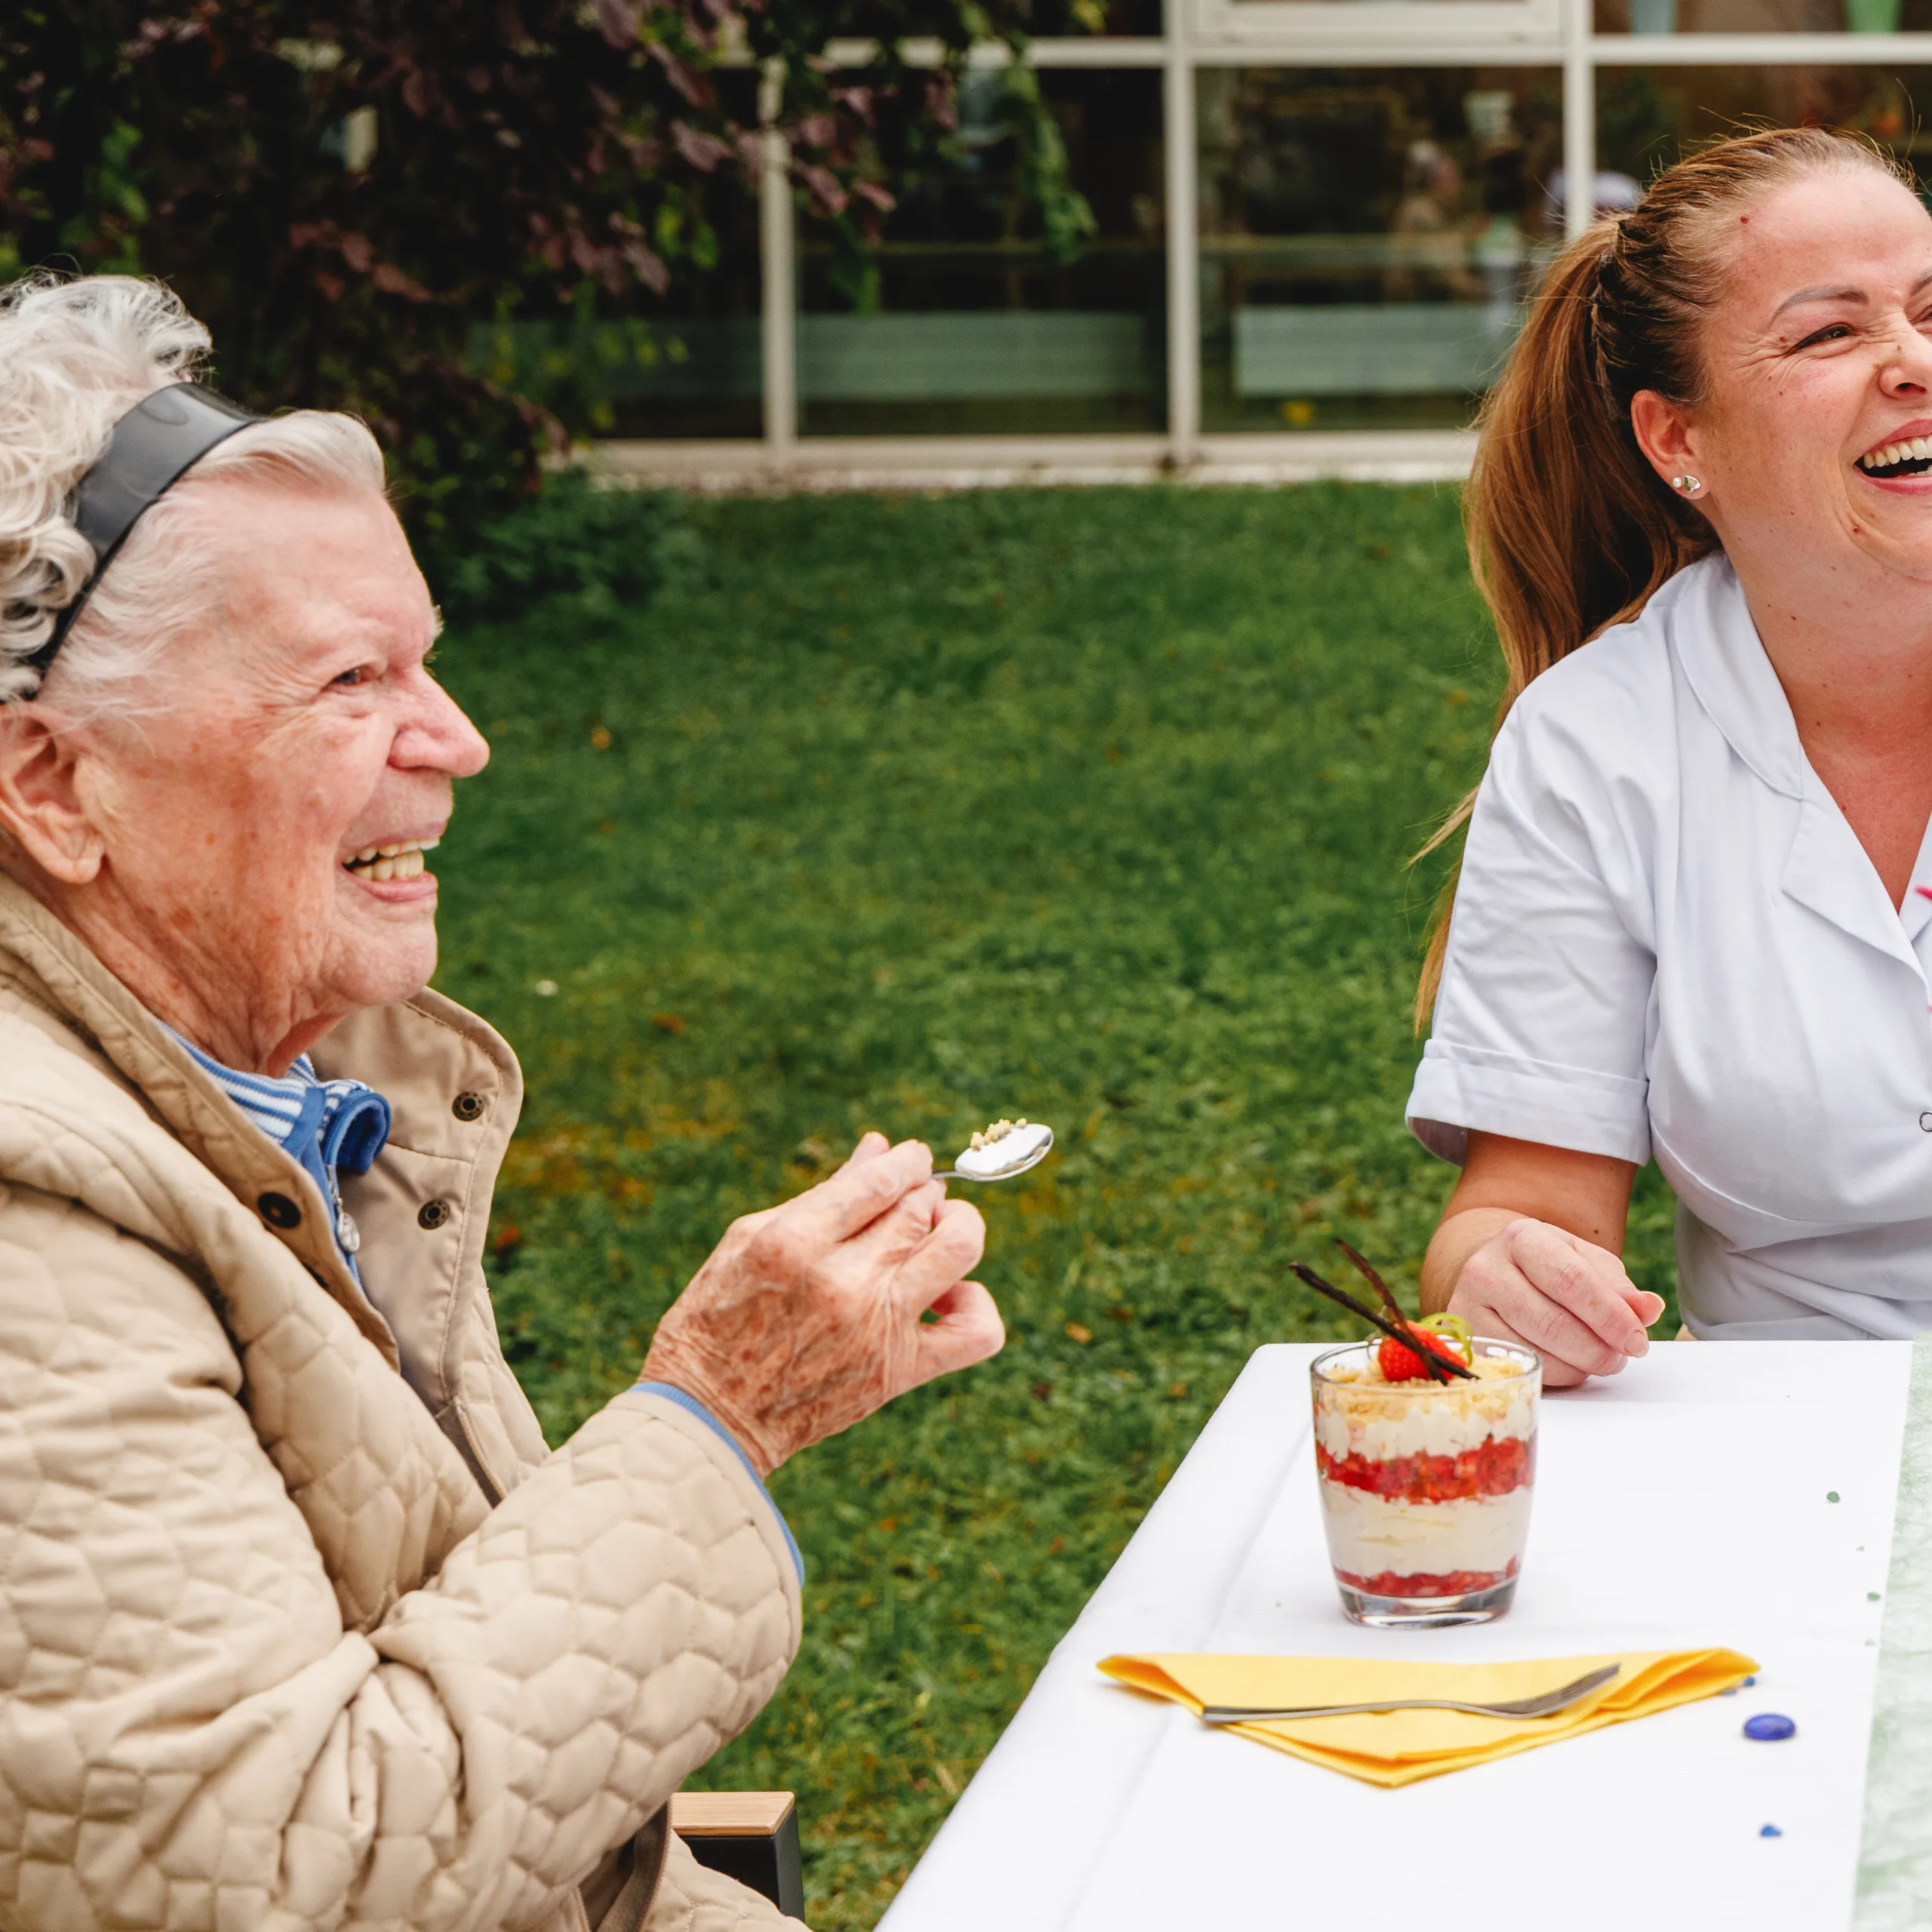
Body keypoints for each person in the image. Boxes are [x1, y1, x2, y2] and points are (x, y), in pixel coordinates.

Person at [0, 273, 1005, 1931]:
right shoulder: (37, 1216)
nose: (456, 739)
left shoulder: (292, 1110)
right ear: (55, 785)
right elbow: (285, 1877)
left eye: (430, 664)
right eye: (348, 683)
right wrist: (715, 1418)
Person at [1410, 125, 1932, 1379]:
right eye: (1829, 333)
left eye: (1928, 308)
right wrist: (1507, 1280)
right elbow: (1520, 1208)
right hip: (1802, 1458)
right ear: (1677, 442)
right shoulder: (1600, 742)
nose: (1914, 362)